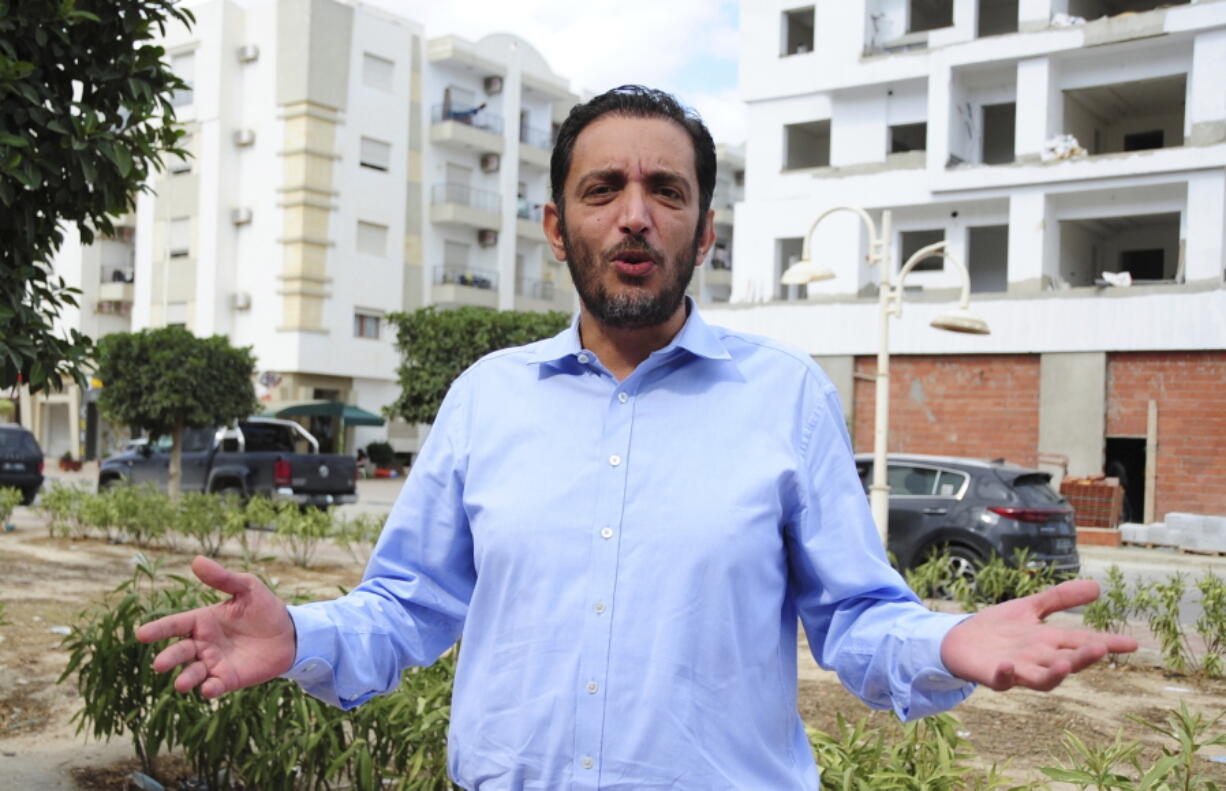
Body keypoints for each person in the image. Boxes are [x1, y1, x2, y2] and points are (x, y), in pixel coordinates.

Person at [138, 85, 1137, 789]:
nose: (633, 216)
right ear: (554, 223)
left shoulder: (781, 396)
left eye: (666, 190)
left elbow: (857, 620)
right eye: (601, 187)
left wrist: (946, 639)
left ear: (704, 230)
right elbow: (406, 608)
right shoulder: (486, 398)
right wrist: (301, 634)